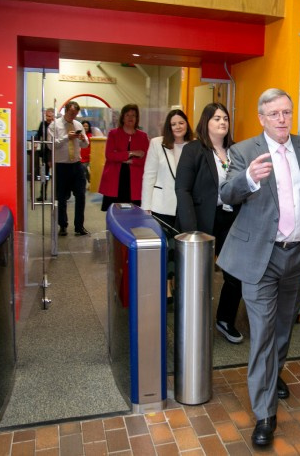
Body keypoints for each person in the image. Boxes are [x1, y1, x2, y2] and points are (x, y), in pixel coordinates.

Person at [217, 88, 300, 447]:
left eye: (287, 112)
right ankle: (265, 414)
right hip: (260, 260)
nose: (283, 119)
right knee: (264, 332)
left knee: (283, 330)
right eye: (275, 114)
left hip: (299, 255)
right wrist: (249, 178)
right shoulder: (243, 151)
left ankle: (273, 374)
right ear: (262, 118)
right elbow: (227, 194)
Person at [175, 103, 244, 343]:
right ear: (206, 122)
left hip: (231, 220)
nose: (223, 122)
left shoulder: (236, 151)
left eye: (225, 118)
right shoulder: (194, 150)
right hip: (201, 220)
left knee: (235, 274)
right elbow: (182, 189)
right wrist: (190, 229)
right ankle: (195, 323)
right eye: (216, 118)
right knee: (199, 276)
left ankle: (225, 319)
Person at [141, 109, 193, 304]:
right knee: (165, 248)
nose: (178, 127)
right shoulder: (157, 143)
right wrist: (146, 206)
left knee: (178, 249)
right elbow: (149, 175)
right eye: (174, 124)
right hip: (161, 206)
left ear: (187, 124)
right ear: (168, 127)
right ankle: (166, 287)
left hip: (185, 208)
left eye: (181, 122)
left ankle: (176, 284)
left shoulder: (194, 146)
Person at [49, 101, 90, 236]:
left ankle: (79, 226)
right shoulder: (55, 125)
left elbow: (84, 145)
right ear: (66, 111)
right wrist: (67, 137)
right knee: (61, 197)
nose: (73, 116)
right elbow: (51, 145)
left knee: (81, 196)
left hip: (77, 165)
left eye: (76, 113)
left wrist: (84, 140)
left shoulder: (78, 125)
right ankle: (63, 225)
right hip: (61, 166)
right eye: (71, 113)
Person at [99, 104, 149, 211]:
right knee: (114, 212)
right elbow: (110, 155)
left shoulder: (143, 136)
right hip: (115, 180)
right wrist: (131, 153)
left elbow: (146, 159)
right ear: (122, 117)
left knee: (134, 213)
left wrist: (129, 160)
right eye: (127, 115)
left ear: (137, 118)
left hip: (135, 181)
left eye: (133, 115)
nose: (130, 118)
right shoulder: (113, 134)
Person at [35, 107, 54, 201]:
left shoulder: (56, 125)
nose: (48, 118)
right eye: (47, 116)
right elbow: (38, 135)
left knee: (58, 175)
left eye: (50, 116)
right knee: (44, 174)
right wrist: (36, 142)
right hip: (45, 152)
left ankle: (59, 195)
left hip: (55, 152)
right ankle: (43, 194)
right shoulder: (42, 124)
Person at [80, 120, 93, 185]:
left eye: (87, 126)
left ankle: (90, 181)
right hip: (80, 156)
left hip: (88, 157)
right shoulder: (80, 135)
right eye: (84, 126)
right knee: (83, 170)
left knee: (85, 170)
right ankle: (85, 183)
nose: (85, 127)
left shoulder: (91, 136)